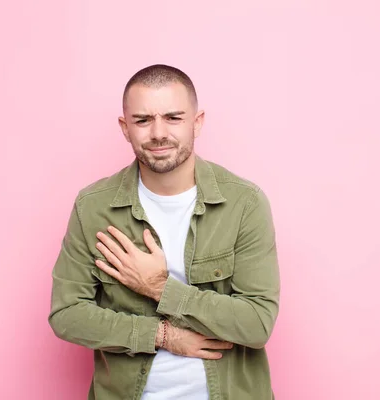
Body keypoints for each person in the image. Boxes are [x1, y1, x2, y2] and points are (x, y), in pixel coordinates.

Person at [48, 64, 280, 400]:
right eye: (143, 120)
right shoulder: (93, 207)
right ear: (125, 128)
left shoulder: (244, 203)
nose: (158, 133)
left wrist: (160, 287)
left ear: (196, 123)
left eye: (173, 118)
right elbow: (67, 314)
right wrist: (162, 334)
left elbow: (257, 323)